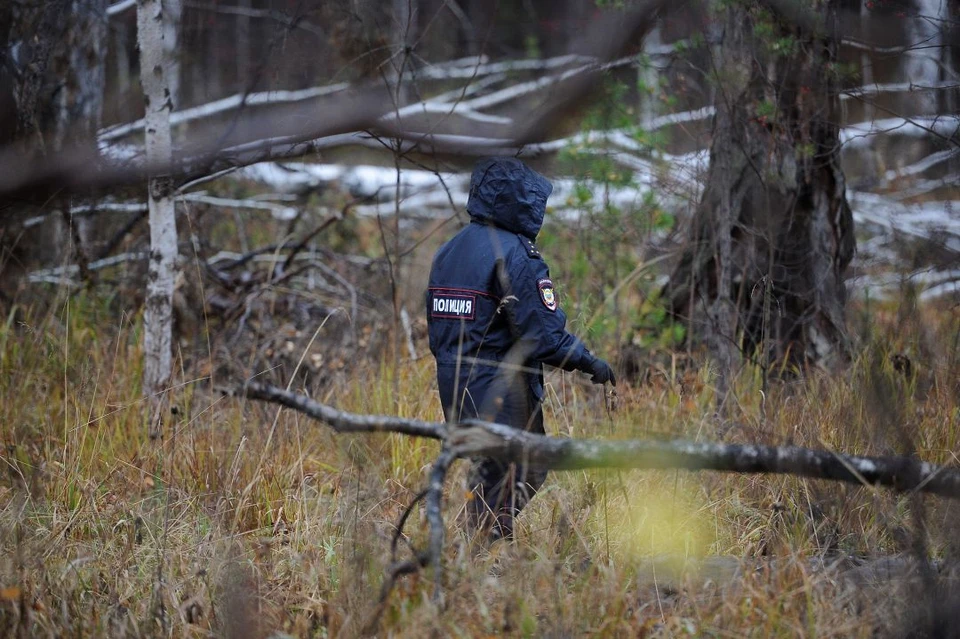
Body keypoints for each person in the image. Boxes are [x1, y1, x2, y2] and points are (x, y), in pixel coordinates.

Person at [425, 157, 616, 540]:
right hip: (500, 386)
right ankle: (480, 549)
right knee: (526, 465)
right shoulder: (515, 254)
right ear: (522, 200)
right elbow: (543, 335)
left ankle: (475, 550)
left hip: (453, 383)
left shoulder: (449, 251)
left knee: (492, 470)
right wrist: (588, 361)